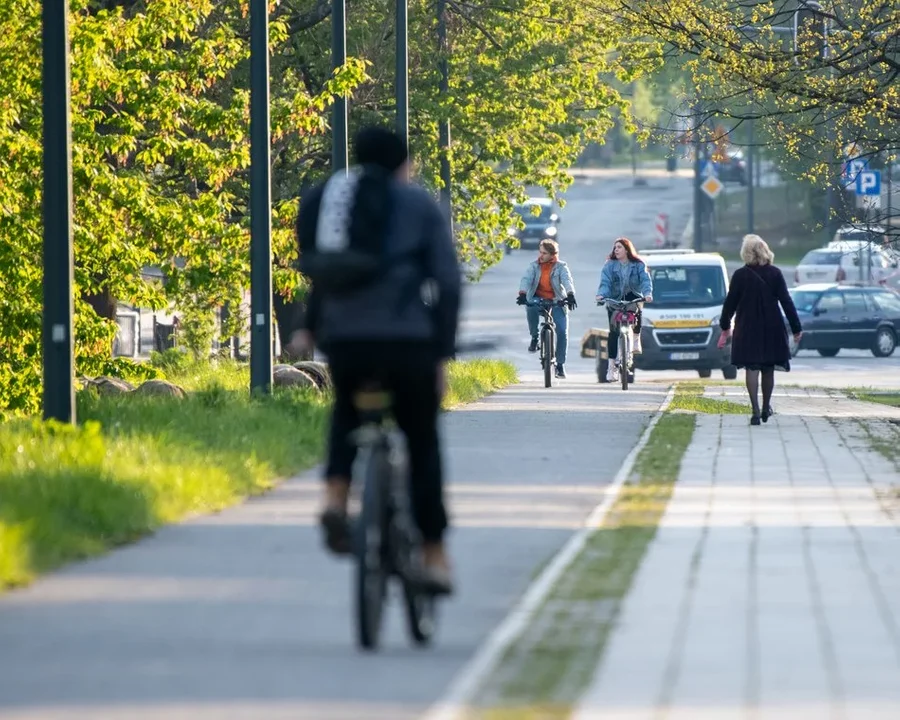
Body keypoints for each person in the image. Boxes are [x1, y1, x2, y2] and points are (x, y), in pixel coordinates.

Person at [291, 125, 462, 595]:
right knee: (422, 442)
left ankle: (335, 495)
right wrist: (441, 354)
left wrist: (311, 325)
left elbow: (318, 270)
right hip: (406, 343)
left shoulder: (326, 198)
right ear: (403, 165)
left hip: (345, 341)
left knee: (347, 410)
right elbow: (447, 284)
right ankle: (433, 554)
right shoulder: (418, 205)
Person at [718, 234, 802, 426]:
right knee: (768, 368)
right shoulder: (775, 273)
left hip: (747, 327)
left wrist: (725, 326)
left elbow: (729, 304)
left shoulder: (740, 276)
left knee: (752, 367)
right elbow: (786, 302)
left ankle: (755, 411)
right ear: (765, 251)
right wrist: (796, 328)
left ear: (745, 253)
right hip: (771, 326)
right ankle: (766, 407)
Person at [516, 239, 577, 378]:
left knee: (562, 331)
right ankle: (534, 337)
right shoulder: (534, 266)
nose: (541, 255)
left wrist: (570, 294)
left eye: (544, 253)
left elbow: (567, 280)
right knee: (530, 307)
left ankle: (560, 365)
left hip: (556, 300)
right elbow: (526, 279)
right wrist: (523, 294)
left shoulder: (561, 267)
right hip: (537, 298)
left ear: (552, 254)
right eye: (540, 252)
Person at [595, 237, 653, 383]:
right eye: (615, 247)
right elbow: (605, 282)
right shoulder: (609, 265)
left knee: (637, 307)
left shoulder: (638, 264)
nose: (616, 250)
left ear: (627, 249)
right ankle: (611, 367)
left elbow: (645, 280)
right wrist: (602, 294)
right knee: (613, 332)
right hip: (615, 298)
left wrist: (647, 294)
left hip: (632, 295)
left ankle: (635, 338)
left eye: (619, 247)